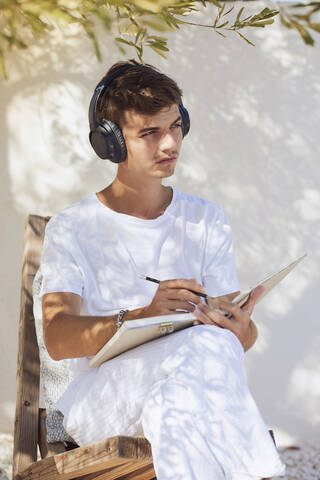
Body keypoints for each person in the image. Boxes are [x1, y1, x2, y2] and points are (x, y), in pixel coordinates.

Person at [40, 59, 285, 479]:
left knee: (186, 391)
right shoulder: (73, 227)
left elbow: (232, 343)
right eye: (149, 133)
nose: (169, 143)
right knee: (203, 356)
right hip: (101, 398)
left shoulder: (206, 219)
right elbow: (58, 338)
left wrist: (241, 328)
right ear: (111, 143)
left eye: (175, 126)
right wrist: (141, 315)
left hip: (182, 390)